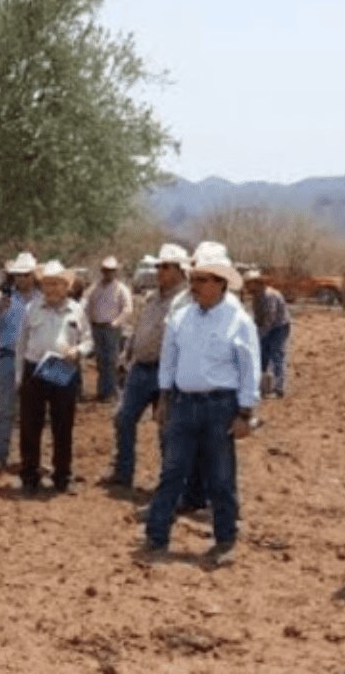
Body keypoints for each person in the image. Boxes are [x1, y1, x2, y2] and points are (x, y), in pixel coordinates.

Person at [144, 242, 260, 566]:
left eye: (205, 280)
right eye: (195, 279)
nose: (197, 286)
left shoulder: (238, 321)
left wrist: (245, 412)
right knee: (172, 471)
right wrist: (164, 397)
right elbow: (169, 359)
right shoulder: (180, 318)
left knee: (220, 477)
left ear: (221, 282)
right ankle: (156, 536)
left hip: (220, 406)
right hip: (182, 403)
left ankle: (225, 538)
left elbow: (249, 368)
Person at [102, 243, 191, 489]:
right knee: (123, 418)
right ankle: (123, 471)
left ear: (180, 270)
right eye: (158, 266)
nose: (159, 271)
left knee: (167, 428)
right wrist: (127, 354)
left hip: (169, 370)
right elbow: (140, 328)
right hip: (141, 368)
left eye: (165, 267)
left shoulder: (185, 301)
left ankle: (170, 483)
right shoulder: (152, 298)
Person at [15, 260, 92, 493]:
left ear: (66, 285)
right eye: (48, 283)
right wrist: (19, 376)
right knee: (30, 426)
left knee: (62, 425)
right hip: (34, 369)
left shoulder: (77, 310)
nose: (52, 288)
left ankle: (62, 477)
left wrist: (78, 351)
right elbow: (21, 344)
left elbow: (88, 340)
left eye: (57, 283)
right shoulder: (32, 309)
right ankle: (29, 476)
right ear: (42, 286)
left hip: (61, 369)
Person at [0, 252, 39, 468]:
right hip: (7, 356)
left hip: (33, 359)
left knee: (33, 409)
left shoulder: (41, 299)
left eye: (25, 274)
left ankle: (30, 458)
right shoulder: (0, 298)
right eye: (17, 275)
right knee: (4, 408)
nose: (21, 279)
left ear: (33, 275)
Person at [84, 256, 133, 402]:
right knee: (100, 360)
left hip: (111, 328)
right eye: (105, 270)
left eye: (111, 271)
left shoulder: (121, 289)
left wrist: (116, 322)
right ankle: (102, 391)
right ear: (102, 271)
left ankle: (111, 393)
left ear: (115, 272)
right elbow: (87, 305)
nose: (108, 273)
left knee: (112, 360)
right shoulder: (95, 288)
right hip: (96, 327)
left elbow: (128, 309)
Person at [243, 270, 291, 398]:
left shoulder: (269, 295)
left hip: (279, 327)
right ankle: (263, 386)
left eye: (249, 284)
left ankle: (278, 389)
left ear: (256, 283)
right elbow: (257, 317)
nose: (247, 286)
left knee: (276, 355)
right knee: (262, 356)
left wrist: (259, 335)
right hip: (265, 327)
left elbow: (270, 318)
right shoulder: (256, 296)